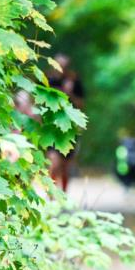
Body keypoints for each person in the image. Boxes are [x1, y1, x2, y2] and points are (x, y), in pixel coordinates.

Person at [47, 53, 85, 192]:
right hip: (51, 127)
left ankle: (63, 194)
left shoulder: (74, 81)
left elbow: (81, 105)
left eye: (64, 66)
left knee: (65, 165)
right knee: (53, 162)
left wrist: (69, 94)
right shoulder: (46, 80)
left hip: (69, 128)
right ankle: (51, 195)